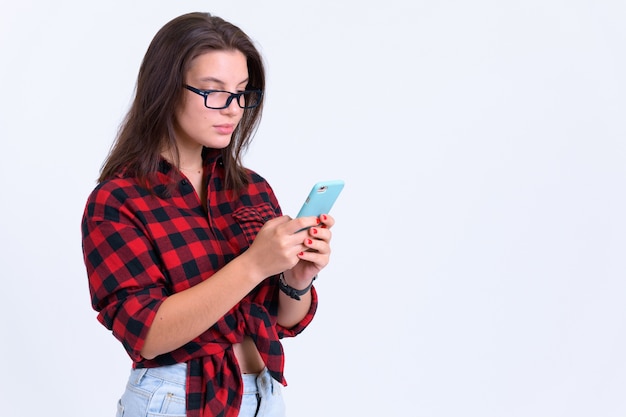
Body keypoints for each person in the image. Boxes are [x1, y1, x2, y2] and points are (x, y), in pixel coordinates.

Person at [81, 12, 335, 417]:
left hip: (264, 396)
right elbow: (146, 333)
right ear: (165, 90)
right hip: (176, 399)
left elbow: (282, 321)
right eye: (213, 92)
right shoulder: (118, 201)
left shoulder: (251, 188)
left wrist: (296, 281)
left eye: (242, 92)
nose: (233, 110)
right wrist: (254, 264)